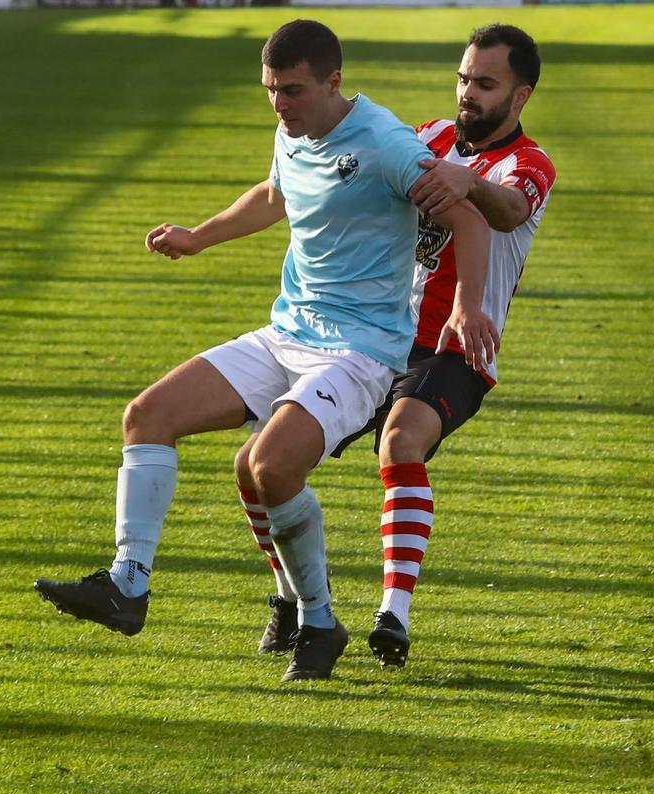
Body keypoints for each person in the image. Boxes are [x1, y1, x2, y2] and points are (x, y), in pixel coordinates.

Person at [34, 19, 497, 682]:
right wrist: (200, 236)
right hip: (288, 333)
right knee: (147, 415)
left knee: (269, 467)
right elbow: (275, 194)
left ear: (333, 82)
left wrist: (467, 304)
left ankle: (318, 619)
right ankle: (127, 585)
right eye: (271, 90)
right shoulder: (292, 129)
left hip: (359, 352)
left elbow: (469, 217)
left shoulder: (387, 144)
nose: (279, 104)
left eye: (293, 91)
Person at [238, 23, 557, 669]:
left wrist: (465, 184)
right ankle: (289, 600)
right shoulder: (430, 135)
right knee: (258, 462)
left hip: (455, 345)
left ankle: (393, 615)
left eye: (485, 84)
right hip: (371, 333)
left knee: (401, 441)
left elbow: (508, 210)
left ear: (520, 96)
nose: (468, 93)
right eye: (464, 78)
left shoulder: (528, 166)